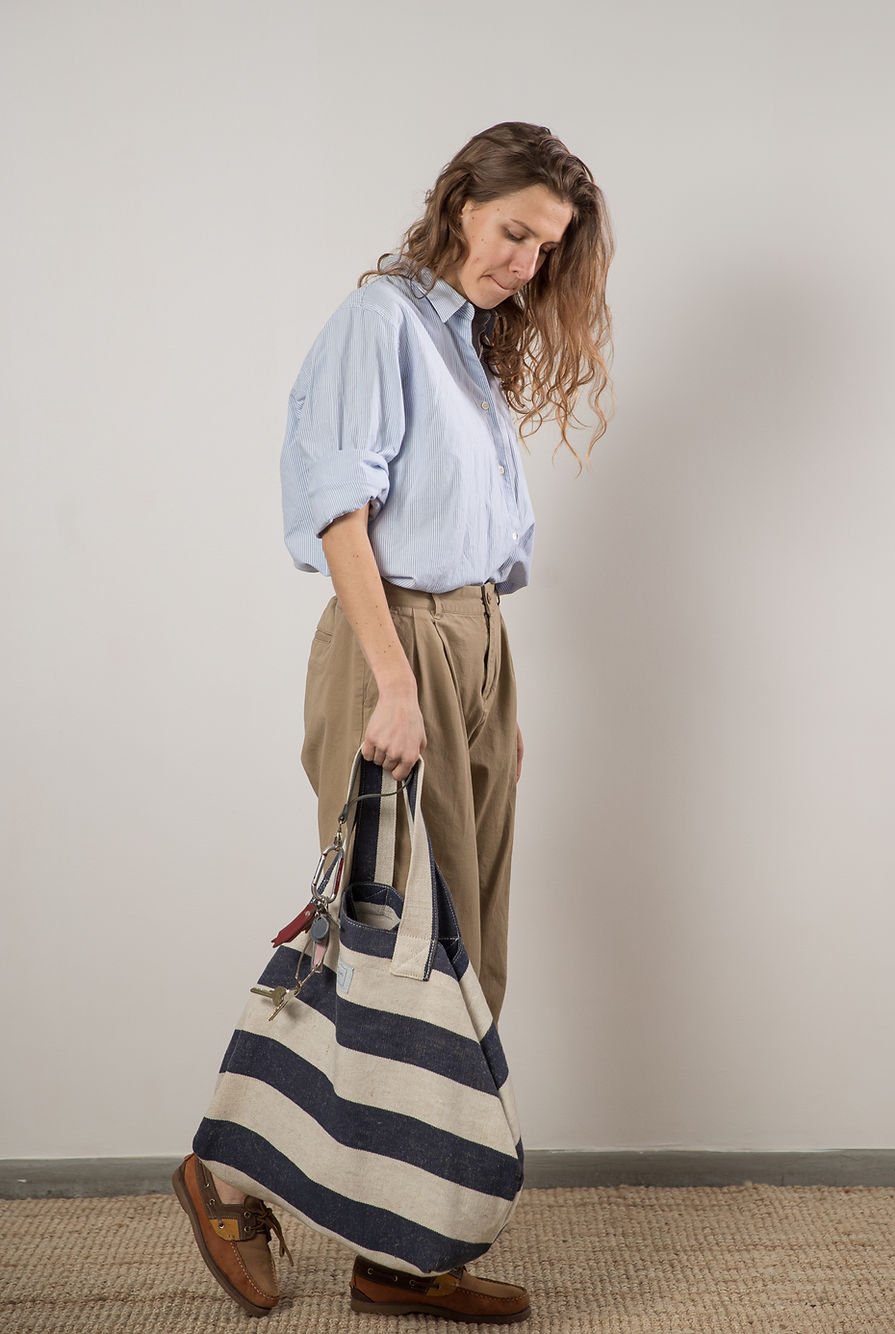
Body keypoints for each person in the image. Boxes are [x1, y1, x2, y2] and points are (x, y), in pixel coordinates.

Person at [172, 120, 614, 1323]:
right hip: (399, 640)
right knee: (381, 955)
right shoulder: (381, 320)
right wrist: (401, 681)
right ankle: (226, 1175)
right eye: (514, 229)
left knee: (467, 955)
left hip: (472, 646)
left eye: (548, 245)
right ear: (458, 204)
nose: (527, 260)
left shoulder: (464, 344)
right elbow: (339, 515)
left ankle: (399, 1247)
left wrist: (489, 695)